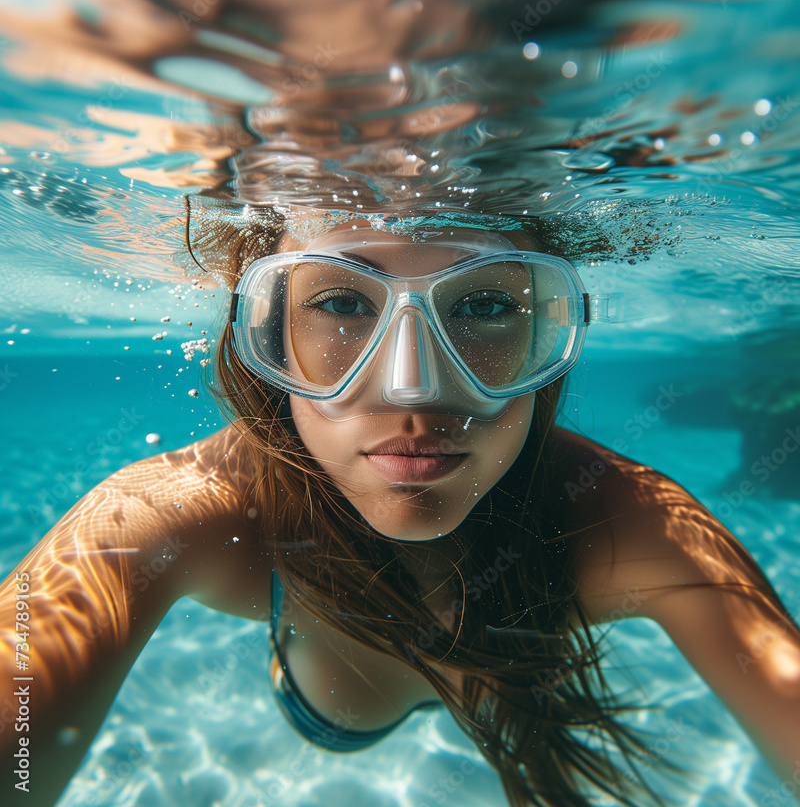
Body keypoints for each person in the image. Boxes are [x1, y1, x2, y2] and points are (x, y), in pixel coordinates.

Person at [2, 207, 799, 807]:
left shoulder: (631, 525)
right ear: (266, 331)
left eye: (483, 306)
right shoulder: (173, 515)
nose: (410, 388)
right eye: (343, 304)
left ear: (549, 333)